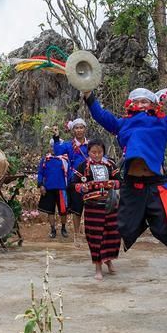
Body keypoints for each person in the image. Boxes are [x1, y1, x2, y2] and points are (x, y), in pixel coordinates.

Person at [83, 85, 167, 252]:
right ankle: (139, 222)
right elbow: (100, 115)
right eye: (137, 101)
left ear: (153, 105)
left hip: (155, 183)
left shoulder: (163, 123)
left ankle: (151, 222)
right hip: (131, 183)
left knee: (164, 226)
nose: (141, 105)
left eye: (145, 101)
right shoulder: (122, 124)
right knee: (125, 226)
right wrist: (88, 94)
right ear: (130, 104)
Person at [72, 140, 120, 281]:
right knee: (96, 236)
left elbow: (120, 181)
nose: (97, 155)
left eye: (100, 152)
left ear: (103, 152)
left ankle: (108, 260)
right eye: (93, 152)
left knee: (112, 234)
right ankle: (98, 267)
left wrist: (110, 184)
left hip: (110, 205)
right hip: (93, 207)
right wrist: (83, 187)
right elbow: (74, 183)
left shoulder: (110, 165)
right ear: (88, 152)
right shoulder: (83, 166)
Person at [52, 118, 89, 246]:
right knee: (77, 208)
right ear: (73, 130)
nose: (79, 130)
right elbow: (57, 152)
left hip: (90, 178)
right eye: (76, 128)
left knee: (91, 206)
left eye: (81, 127)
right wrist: (56, 137)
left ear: (85, 129)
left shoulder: (91, 145)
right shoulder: (69, 145)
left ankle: (90, 233)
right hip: (75, 180)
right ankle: (76, 235)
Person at [37, 139, 69, 239]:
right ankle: (53, 229)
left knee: (63, 211)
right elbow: (40, 173)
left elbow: (69, 173)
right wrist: (41, 184)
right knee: (50, 211)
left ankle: (63, 228)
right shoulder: (46, 159)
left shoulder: (65, 160)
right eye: (52, 146)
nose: (54, 148)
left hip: (61, 188)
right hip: (48, 188)